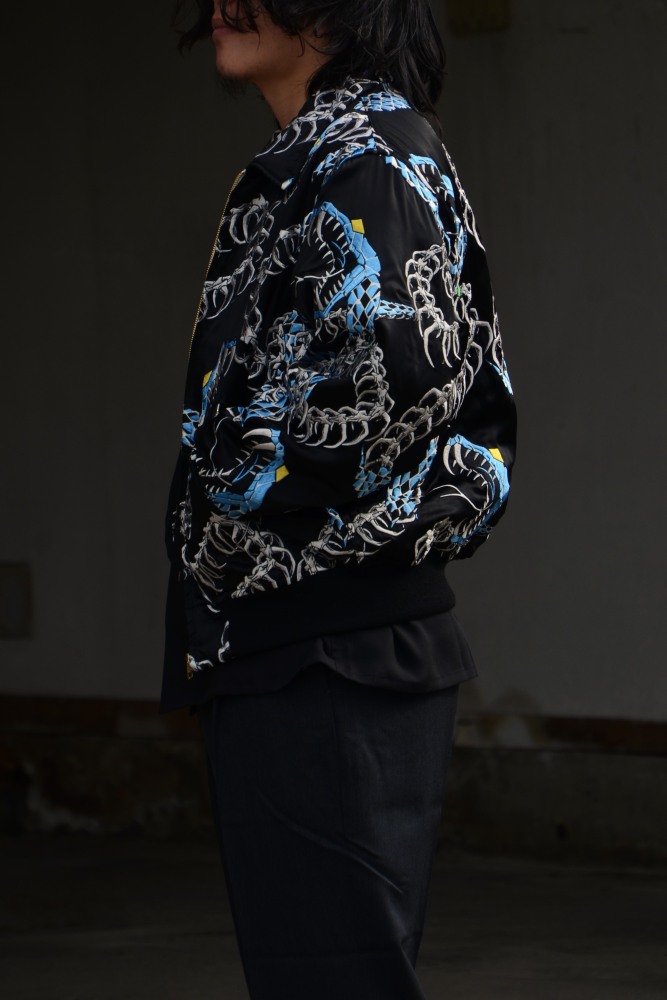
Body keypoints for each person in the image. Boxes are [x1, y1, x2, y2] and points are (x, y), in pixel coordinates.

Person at [163, 1, 516, 997]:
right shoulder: (340, 150)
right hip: (316, 646)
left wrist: (232, 491)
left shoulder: (362, 156)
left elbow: (390, 395)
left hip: (324, 649)